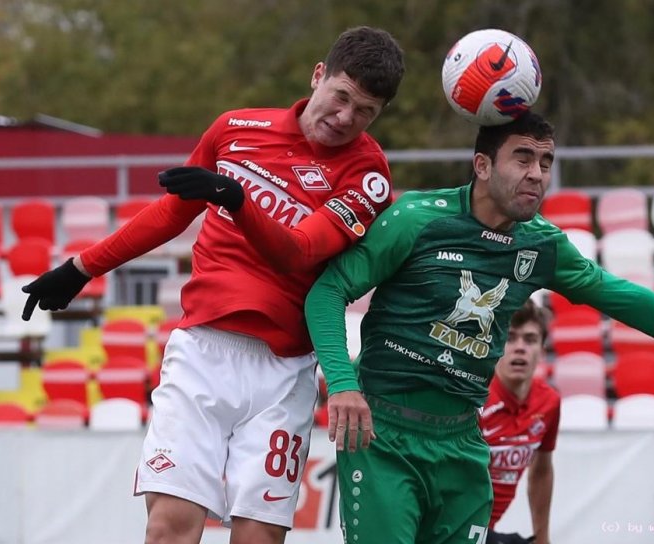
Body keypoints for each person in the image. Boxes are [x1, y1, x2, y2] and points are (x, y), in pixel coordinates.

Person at [303, 111, 654, 544]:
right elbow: (327, 292)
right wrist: (342, 384)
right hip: (385, 439)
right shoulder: (418, 219)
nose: (537, 174)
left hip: (463, 447)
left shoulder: (542, 245)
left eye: (546, 162)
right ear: (482, 166)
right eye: (523, 158)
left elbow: (624, 297)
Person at [21, 26, 404, 544]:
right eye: (342, 98)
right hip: (201, 353)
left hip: (283, 372)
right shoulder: (235, 128)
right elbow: (169, 215)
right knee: (170, 529)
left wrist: (236, 199)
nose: (346, 119)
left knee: (256, 539)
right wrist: (82, 268)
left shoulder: (368, 173)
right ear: (318, 75)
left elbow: (299, 253)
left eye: (365, 112)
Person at [481, 300, 558, 544]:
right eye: (510, 338)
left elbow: (542, 471)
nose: (520, 348)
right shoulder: (475, 398)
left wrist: (543, 538)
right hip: (451, 526)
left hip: (486, 530)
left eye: (530, 339)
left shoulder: (549, 402)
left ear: (542, 350)